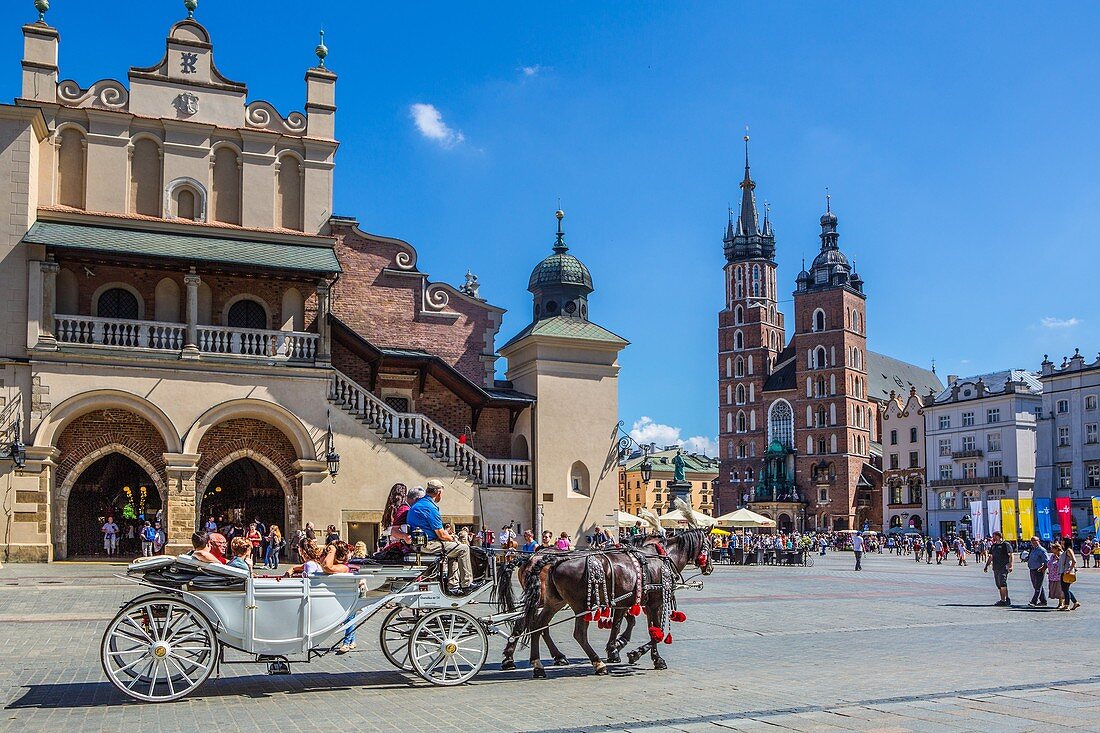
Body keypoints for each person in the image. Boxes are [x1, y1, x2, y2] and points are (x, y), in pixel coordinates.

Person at [405, 480, 474, 592]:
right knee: (463, 548)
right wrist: (454, 539)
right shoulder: (430, 507)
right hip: (428, 544)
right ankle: (466, 583)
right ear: (438, 493)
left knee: (454, 549)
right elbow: (441, 534)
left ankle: (453, 585)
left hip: (417, 543)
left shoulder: (418, 504)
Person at [983, 530, 1013, 606]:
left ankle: (1004, 600)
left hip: (1003, 566)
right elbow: (991, 556)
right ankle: (1004, 599)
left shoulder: (1005, 544)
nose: (993, 537)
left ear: (998, 536)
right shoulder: (994, 546)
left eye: (994, 536)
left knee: (1002, 582)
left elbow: (1011, 555)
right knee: (998, 584)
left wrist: (1010, 565)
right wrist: (986, 566)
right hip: (996, 567)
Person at [1025, 536, 1049, 607]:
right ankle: (1043, 601)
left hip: (1039, 570)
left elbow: (1046, 561)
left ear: (1038, 541)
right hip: (1032, 569)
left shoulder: (1042, 550)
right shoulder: (1032, 549)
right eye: (1032, 541)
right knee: (1036, 585)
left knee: (1038, 586)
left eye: (1035, 541)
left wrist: (1043, 568)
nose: (1033, 542)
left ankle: (1033, 602)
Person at [1059, 537, 1079, 611]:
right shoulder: (1065, 550)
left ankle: (1066, 605)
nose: (1061, 541)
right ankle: (1075, 602)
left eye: (1062, 540)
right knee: (1065, 589)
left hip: (1067, 572)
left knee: (1065, 589)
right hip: (1063, 571)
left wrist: (1069, 570)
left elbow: (1074, 560)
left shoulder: (1069, 550)